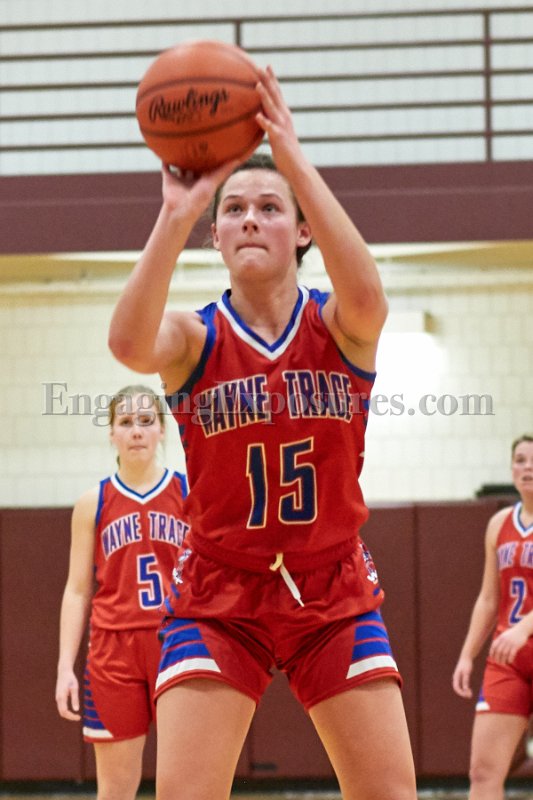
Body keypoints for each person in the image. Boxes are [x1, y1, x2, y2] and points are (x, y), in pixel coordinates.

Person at [108, 65, 417, 800]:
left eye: (271, 207)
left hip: (331, 586)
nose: (250, 218)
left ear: (303, 230)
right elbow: (127, 344)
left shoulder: (339, 326)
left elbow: (370, 295)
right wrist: (177, 212)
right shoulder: (193, 337)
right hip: (219, 590)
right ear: (215, 235)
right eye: (234, 208)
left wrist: (294, 162)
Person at [55, 385, 189, 800]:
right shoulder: (93, 502)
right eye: (126, 422)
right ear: (112, 433)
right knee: (115, 790)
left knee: (187, 786)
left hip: (177, 642)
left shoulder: (189, 493)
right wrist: (64, 666)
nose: (136, 431)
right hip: (113, 651)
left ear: (162, 430)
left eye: (146, 421)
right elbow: (77, 589)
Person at [453, 434, 533, 800]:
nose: (527, 468)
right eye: (520, 460)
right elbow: (488, 599)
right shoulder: (499, 523)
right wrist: (467, 655)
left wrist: (523, 629)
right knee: (483, 772)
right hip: (507, 660)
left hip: (518, 638)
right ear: (511, 469)